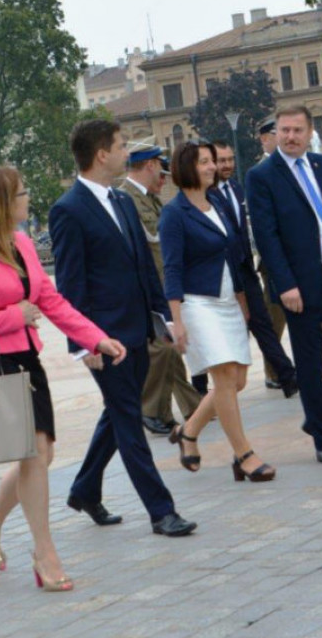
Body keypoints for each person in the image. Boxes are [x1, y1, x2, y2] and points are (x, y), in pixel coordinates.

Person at [0, 166, 127, 592]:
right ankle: (45, 554)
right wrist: (13, 316)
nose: (28, 198)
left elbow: (51, 301)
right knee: (34, 454)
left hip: (27, 358)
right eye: (22, 193)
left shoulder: (21, 243)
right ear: (0, 203)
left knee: (38, 457)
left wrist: (96, 339)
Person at [49, 118, 196, 537]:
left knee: (118, 415)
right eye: (120, 145)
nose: (125, 151)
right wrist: (84, 344)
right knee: (130, 423)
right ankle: (161, 511)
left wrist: (163, 318)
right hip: (105, 340)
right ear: (101, 154)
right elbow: (71, 287)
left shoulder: (123, 202)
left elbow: (143, 271)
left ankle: (84, 490)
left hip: (137, 333)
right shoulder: (68, 210)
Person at [246, 105, 322, 466]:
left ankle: (320, 421)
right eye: (284, 130)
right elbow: (266, 237)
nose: (290, 136)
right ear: (276, 133)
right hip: (298, 285)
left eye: (297, 130)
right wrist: (284, 284)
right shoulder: (262, 176)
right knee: (311, 363)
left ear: (309, 131)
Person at [159, 140, 275, 482]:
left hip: (226, 301)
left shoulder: (218, 203)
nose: (213, 167)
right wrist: (176, 320)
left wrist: (241, 299)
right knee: (223, 378)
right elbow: (172, 269)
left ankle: (189, 430)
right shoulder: (174, 214)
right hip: (197, 304)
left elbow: (233, 254)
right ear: (186, 168)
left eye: (212, 161)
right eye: (204, 162)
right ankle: (244, 455)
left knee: (236, 381)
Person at [200, 139, 299, 399]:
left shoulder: (236, 187)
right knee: (214, 333)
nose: (227, 165)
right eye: (221, 160)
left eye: (230, 159)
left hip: (244, 268)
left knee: (263, 324)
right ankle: (199, 386)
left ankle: (288, 377)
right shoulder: (204, 193)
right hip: (219, 274)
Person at [120, 143, 202, 435]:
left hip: (160, 286)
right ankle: (151, 409)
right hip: (143, 288)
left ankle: (191, 406)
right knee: (164, 349)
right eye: (161, 172)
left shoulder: (147, 199)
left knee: (170, 346)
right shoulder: (126, 199)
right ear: (150, 165)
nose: (164, 180)